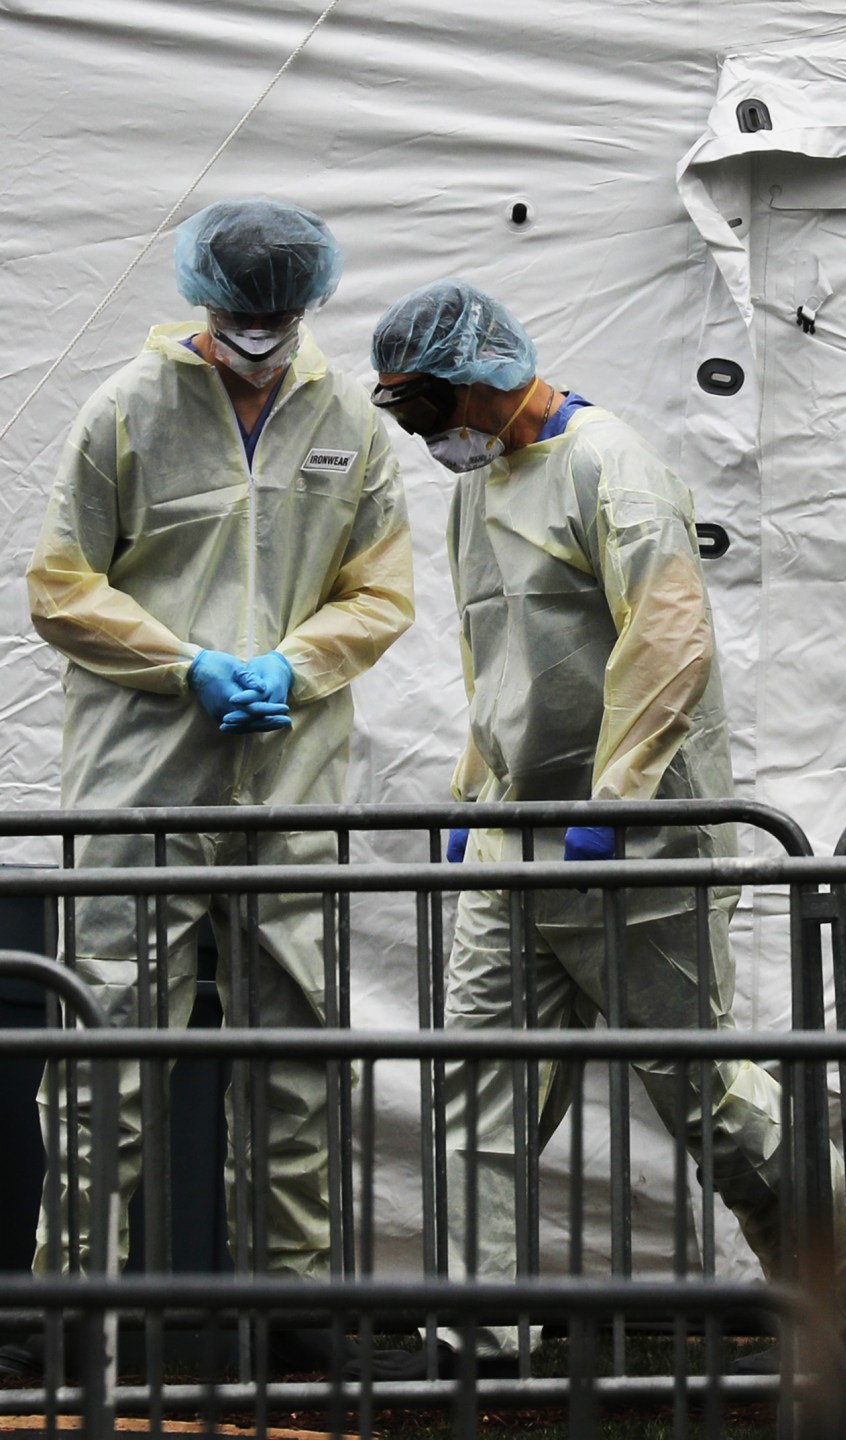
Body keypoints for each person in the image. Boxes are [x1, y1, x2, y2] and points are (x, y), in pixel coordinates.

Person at [352, 279, 803, 1379]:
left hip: (638, 841)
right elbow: (492, 661)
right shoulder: (481, 486)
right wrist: (476, 795)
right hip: (519, 833)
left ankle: (838, 1291)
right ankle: (479, 1337)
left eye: (427, 407)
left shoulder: (611, 467)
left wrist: (620, 796)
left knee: (699, 1087)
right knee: (479, 1087)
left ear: (483, 372)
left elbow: (667, 639)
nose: (426, 435)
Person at [11, 197, 414, 1377]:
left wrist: (295, 664)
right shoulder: (125, 411)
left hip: (290, 779)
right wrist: (183, 664)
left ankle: (290, 1307)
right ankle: (66, 1315)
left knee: (295, 1053)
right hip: (140, 781)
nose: (260, 334)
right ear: (203, 302)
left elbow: (379, 591)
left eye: (279, 315)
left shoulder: (347, 416)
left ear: (307, 309)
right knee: (107, 1050)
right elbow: (59, 585)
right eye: (244, 315)